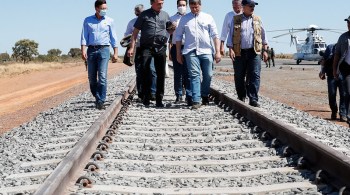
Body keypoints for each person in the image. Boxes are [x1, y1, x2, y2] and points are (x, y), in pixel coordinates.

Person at [175, 0, 221, 109]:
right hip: (190, 51)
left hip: (206, 51)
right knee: (194, 75)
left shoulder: (208, 18)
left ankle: (204, 94)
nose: (194, 9)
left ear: (200, 5)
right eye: (192, 7)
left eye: (196, 7)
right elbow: (178, 37)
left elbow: (215, 35)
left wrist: (218, 51)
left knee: (208, 75)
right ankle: (196, 100)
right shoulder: (184, 19)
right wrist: (178, 53)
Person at [127, 0, 171, 107]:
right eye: (158, 3)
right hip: (146, 48)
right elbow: (135, 32)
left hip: (160, 48)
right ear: (152, 3)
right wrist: (131, 47)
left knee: (160, 74)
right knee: (146, 72)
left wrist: (170, 33)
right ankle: (146, 98)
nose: (161, 5)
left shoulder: (165, 15)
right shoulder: (144, 15)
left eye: (162, 3)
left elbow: (169, 30)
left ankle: (159, 99)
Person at [227, 0, 268, 107]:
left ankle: (253, 98)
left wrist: (265, 50)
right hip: (239, 52)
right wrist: (230, 49)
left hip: (254, 52)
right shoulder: (236, 20)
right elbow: (230, 36)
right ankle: (241, 96)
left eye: (253, 6)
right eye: (250, 6)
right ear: (243, 7)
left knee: (255, 75)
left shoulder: (258, 19)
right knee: (239, 76)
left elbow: (264, 36)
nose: (252, 8)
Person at [81, 0, 118, 110]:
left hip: (104, 50)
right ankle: (97, 96)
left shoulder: (110, 21)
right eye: (103, 8)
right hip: (91, 50)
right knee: (92, 78)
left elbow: (113, 37)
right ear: (96, 8)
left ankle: (101, 100)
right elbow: (84, 36)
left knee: (102, 76)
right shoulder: (88, 20)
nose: (105, 10)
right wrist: (83, 50)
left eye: (106, 8)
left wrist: (115, 53)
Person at [124, 4, 157, 102]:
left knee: (152, 70)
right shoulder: (132, 23)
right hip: (137, 48)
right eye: (138, 14)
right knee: (140, 71)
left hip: (149, 48)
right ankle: (141, 94)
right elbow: (127, 35)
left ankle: (153, 92)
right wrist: (131, 46)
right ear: (136, 13)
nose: (140, 15)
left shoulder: (150, 20)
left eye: (141, 13)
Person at [169, 0, 191, 104]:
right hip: (175, 47)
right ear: (177, 6)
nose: (181, 7)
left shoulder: (190, 17)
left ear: (186, 6)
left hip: (188, 47)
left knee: (188, 72)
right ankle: (178, 95)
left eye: (183, 5)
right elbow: (168, 34)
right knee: (177, 73)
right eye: (180, 5)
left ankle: (188, 94)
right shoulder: (172, 18)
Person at [319, 44, 346, 121]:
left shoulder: (347, 48)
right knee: (332, 94)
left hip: (343, 76)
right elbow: (323, 61)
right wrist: (322, 72)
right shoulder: (330, 48)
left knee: (344, 95)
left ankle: (342, 114)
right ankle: (334, 111)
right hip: (331, 75)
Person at [333, 16, 350, 125]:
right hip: (346, 69)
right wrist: (335, 69)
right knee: (348, 93)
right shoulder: (343, 37)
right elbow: (337, 54)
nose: (348, 24)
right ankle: (348, 115)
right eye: (348, 22)